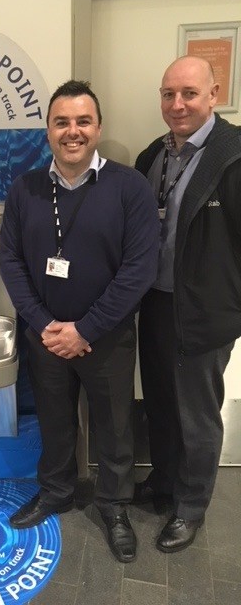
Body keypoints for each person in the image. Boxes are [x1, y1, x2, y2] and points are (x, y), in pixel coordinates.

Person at [0, 80, 159, 563]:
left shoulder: (129, 186)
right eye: (62, 122)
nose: (73, 131)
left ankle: (113, 505)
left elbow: (140, 269)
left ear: (98, 127)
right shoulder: (26, 188)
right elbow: (10, 261)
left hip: (106, 338)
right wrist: (47, 324)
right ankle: (57, 492)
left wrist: (85, 329)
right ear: (47, 130)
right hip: (45, 336)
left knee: (114, 425)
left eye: (82, 121)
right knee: (55, 420)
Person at [134, 55, 241, 553]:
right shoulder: (152, 155)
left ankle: (191, 507)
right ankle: (164, 481)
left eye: (189, 94)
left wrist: (230, 307)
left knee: (197, 412)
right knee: (158, 402)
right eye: (168, 94)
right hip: (154, 303)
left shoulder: (234, 156)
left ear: (214, 95)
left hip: (204, 312)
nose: (177, 105)